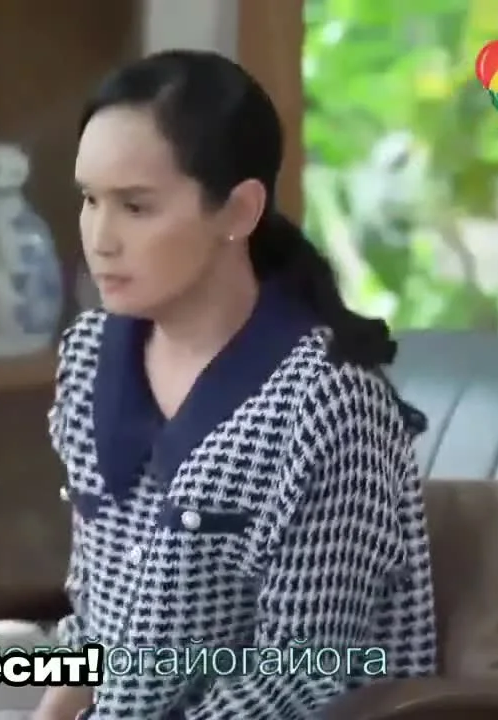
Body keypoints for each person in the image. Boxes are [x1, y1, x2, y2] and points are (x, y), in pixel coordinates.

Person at [34, 50, 437, 720]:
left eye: (135, 206)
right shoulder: (91, 357)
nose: (99, 239)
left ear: (239, 210)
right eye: (89, 200)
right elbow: (96, 624)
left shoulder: (329, 403)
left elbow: (300, 682)